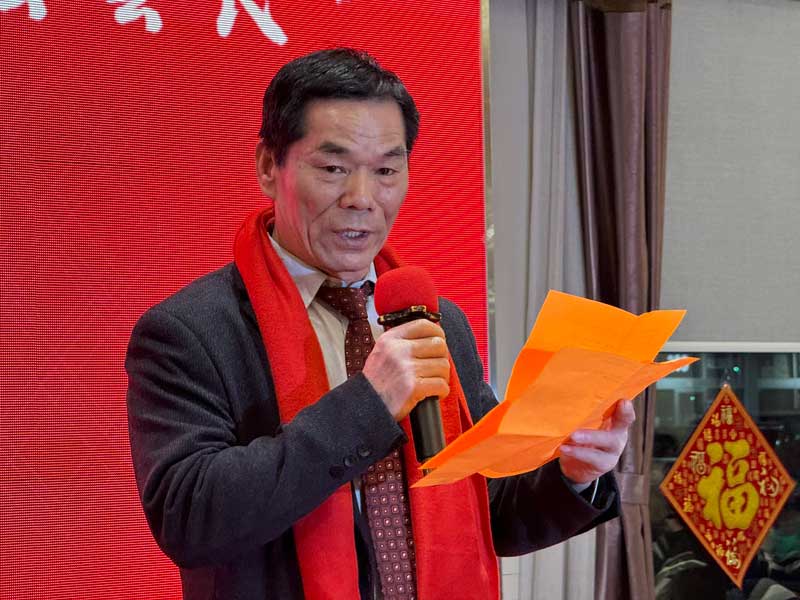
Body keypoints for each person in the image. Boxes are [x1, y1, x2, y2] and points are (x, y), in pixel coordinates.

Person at [125, 48, 634, 600]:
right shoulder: (189, 331)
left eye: (386, 171)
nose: (362, 199)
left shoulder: (436, 320)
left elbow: (491, 508)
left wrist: (574, 472)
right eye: (334, 169)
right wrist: (369, 403)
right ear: (270, 167)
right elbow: (190, 519)